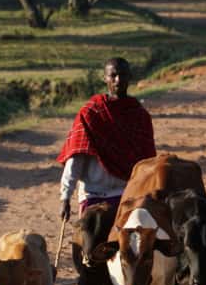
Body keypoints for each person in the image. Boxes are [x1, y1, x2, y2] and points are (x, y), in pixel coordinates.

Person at [57, 57, 157, 222]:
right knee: (89, 243)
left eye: (123, 75)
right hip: (94, 194)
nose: (118, 80)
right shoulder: (91, 113)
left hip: (129, 194)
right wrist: (65, 197)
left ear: (129, 77)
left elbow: (148, 164)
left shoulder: (139, 116)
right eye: (113, 75)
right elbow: (76, 158)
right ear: (105, 78)